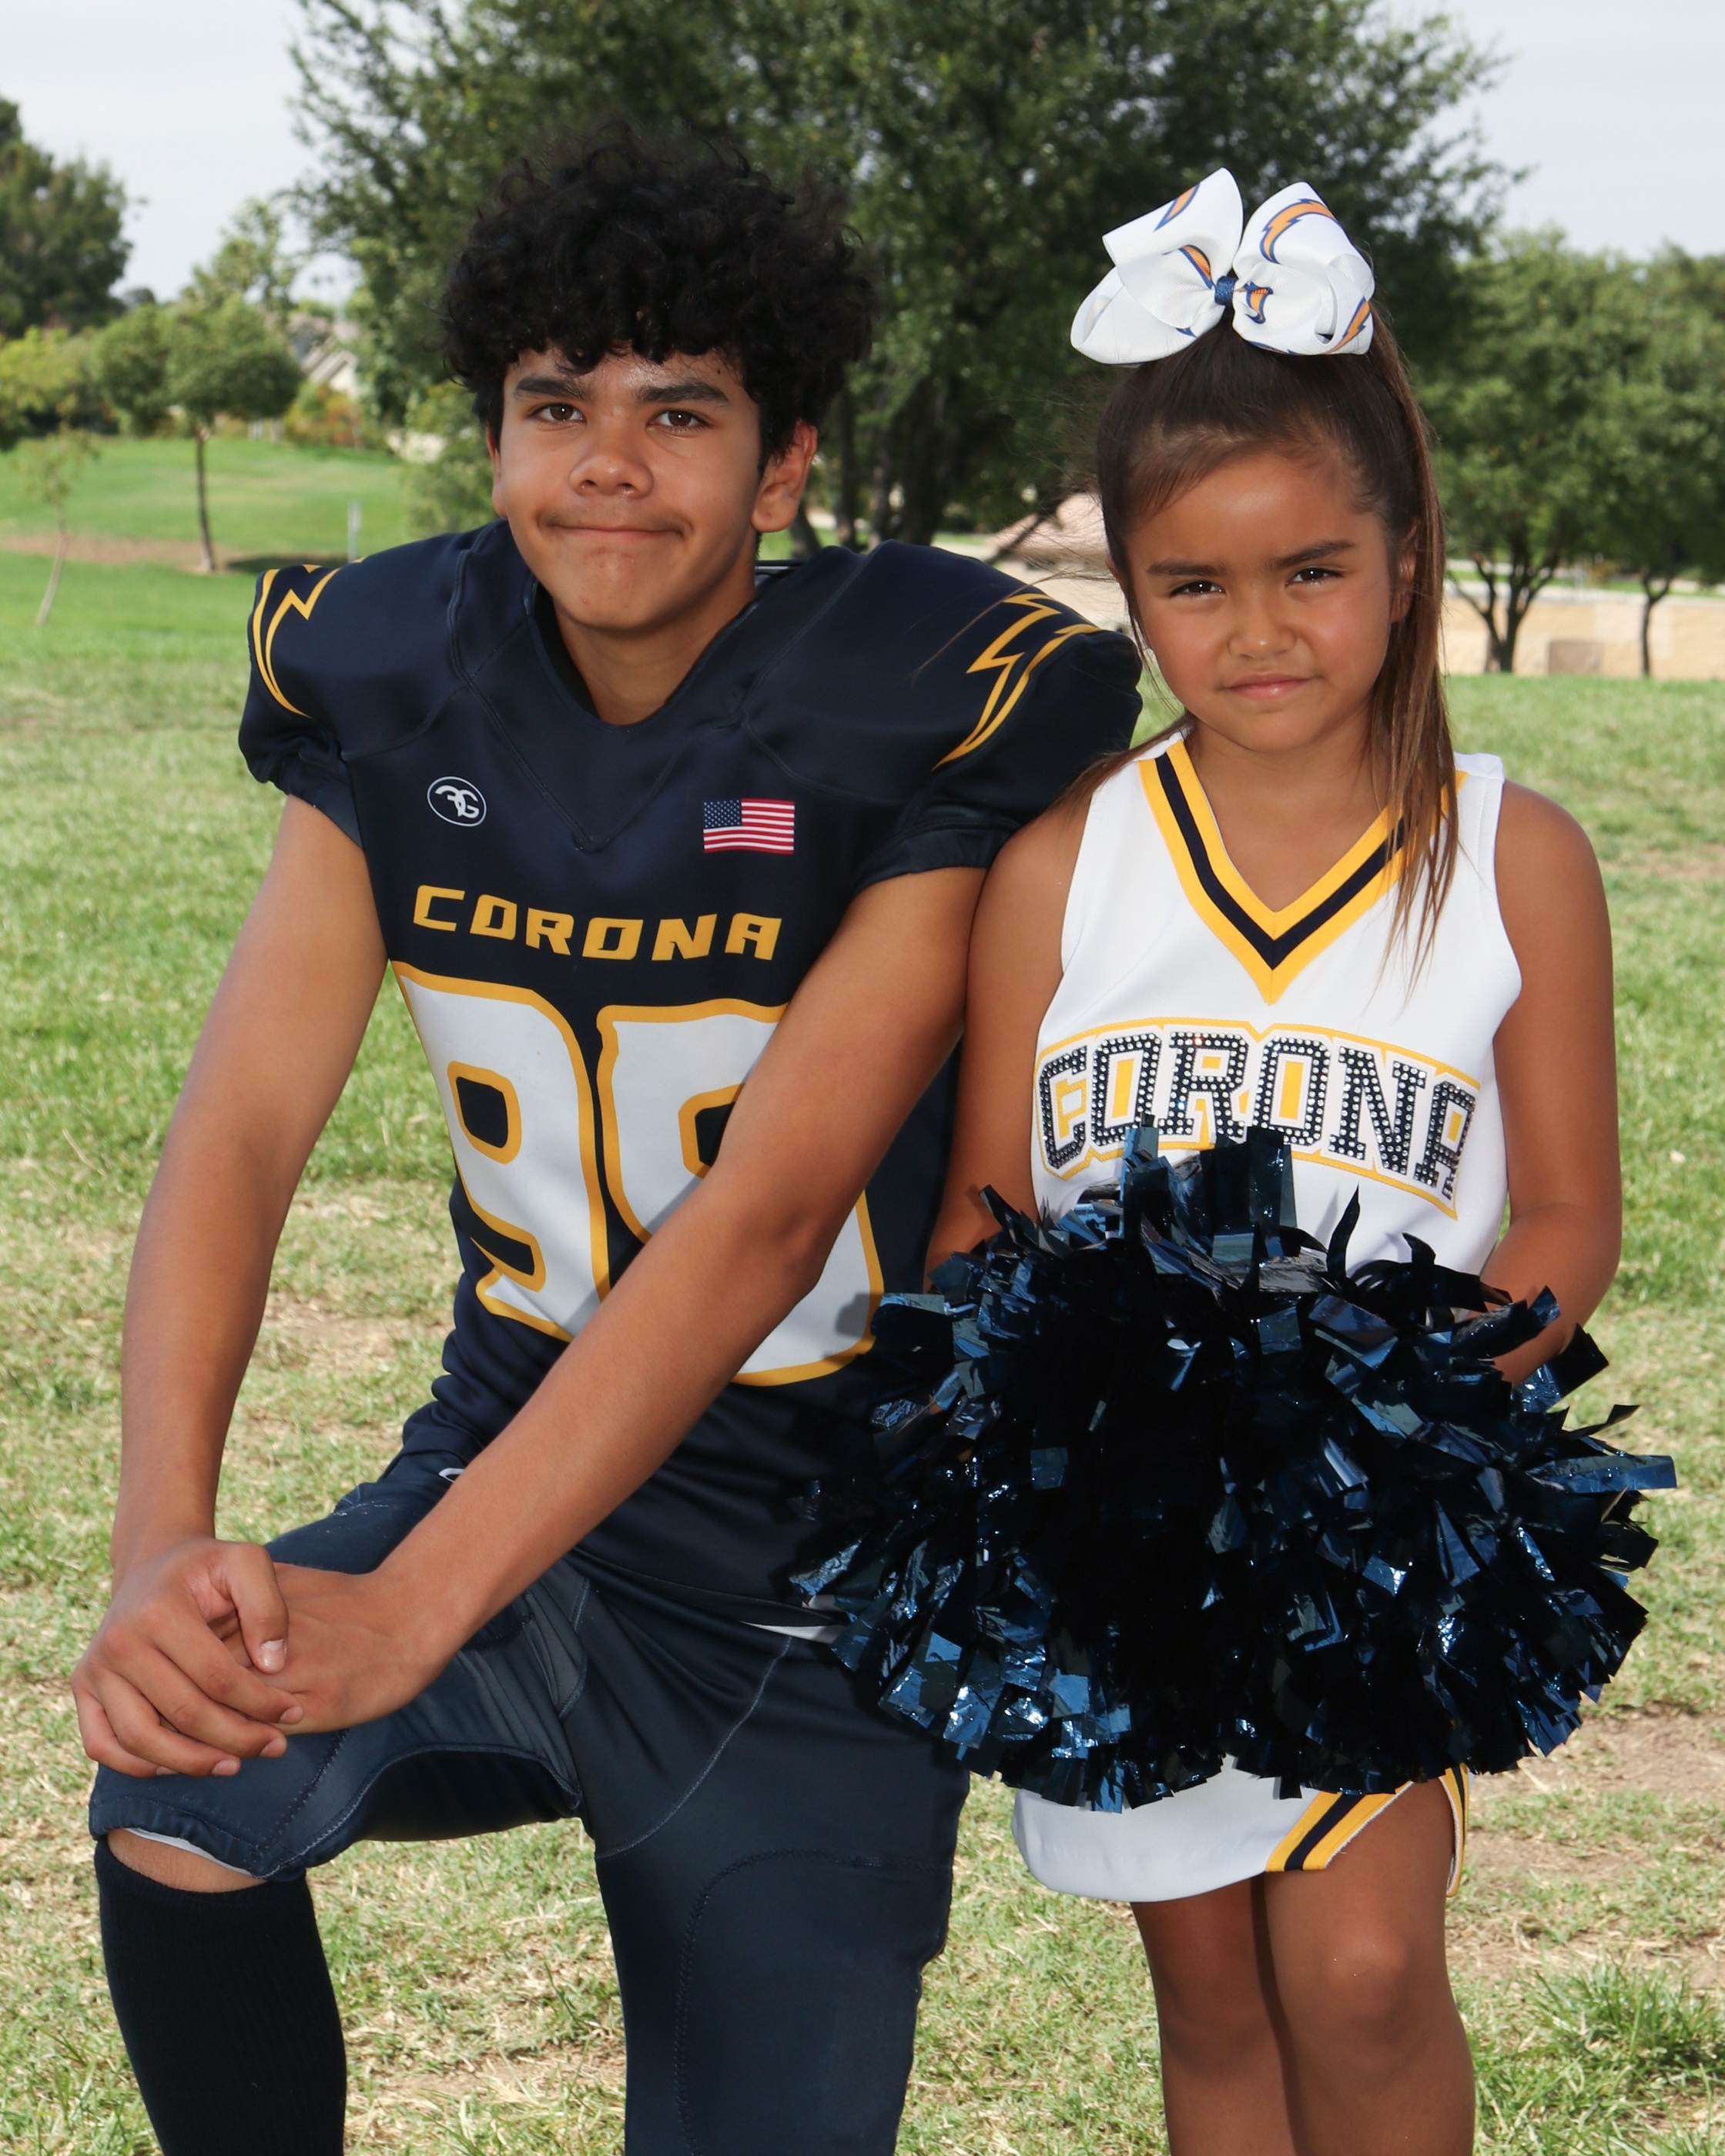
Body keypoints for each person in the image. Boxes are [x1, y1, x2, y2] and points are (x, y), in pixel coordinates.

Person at [72, 129, 1141, 2156]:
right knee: (183, 1780)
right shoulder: (399, 677)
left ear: (786, 463)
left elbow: (769, 1218)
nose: (610, 465)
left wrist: (413, 1608)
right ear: (493, 435)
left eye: (682, 411)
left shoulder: (902, 698)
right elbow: (240, 1131)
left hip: (814, 1575)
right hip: (507, 1470)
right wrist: (156, 1550)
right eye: (557, 405)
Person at [923, 171, 1621, 2156]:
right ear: (1132, 595)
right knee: (1217, 1991)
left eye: (1311, 568)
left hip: (1373, 1516)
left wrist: (1402, 1407)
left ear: (1405, 559)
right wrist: (1055, 1412)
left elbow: (1572, 1212)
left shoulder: (1512, 855)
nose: (1257, 629)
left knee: (1365, 1970)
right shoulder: (1066, 862)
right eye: (1194, 585)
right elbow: (988, 1202)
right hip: (1129, 1529)